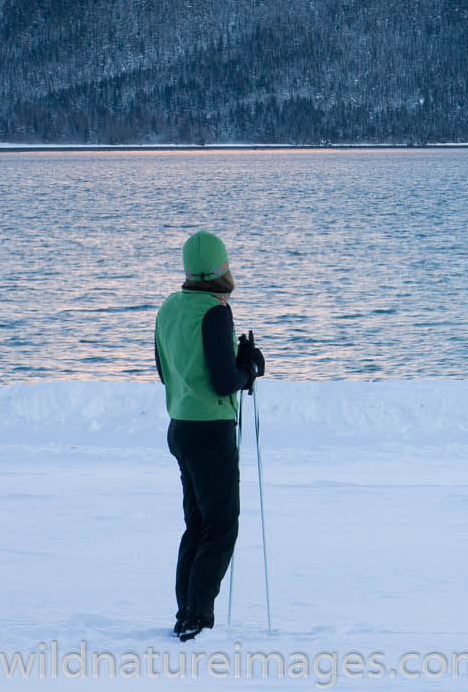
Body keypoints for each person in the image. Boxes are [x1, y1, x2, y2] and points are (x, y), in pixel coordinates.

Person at [154, 230, 264, 641]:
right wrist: (249, 368)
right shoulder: (215, 312)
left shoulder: (168, 308)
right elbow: (223, 382)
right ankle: (198, 618)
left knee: (197, 525)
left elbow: (167, 372)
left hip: (180, 426)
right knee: (221, 527)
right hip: (211, 431)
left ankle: (186, 612)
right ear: (223, 269)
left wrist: (234, 365)